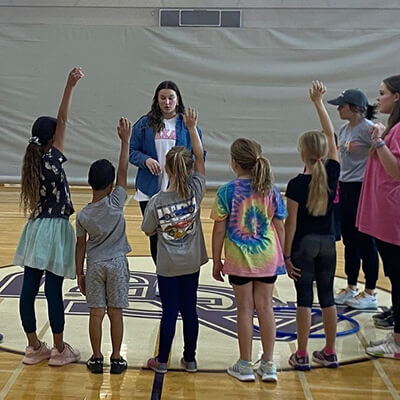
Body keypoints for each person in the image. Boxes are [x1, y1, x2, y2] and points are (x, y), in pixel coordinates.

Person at [13, 67, 83, 366]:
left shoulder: (32, 162)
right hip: (56, 229)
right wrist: (69, 86)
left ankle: (33, 346)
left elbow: (60, 124)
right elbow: (63, 119)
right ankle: (59, 349)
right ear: (52, 139)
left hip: (36, 228)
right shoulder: (53, 158)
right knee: (54, 290)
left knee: (28, 288)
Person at [211, 138, 287, 383]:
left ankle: (244, 365)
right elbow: (280, 226)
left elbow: (219, 230)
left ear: (234, 163)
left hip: (239, 260)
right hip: (267, 258)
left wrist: (216, 260)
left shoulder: (226, 191)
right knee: (266, 308)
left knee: (244, 310)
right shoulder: (271, 190)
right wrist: (281, 257)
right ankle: (268, 364)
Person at [141, 107, 207, 374]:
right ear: (190, 169)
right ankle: (190, 359)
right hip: (191, 263)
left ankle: (162, 361)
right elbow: (200, 158)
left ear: (166, 168)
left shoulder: (156, 201)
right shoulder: (195, 191)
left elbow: (148, 230)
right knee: (190, 309)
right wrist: (192, 128)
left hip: (168, 265)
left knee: (169, 310)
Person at [284, 81, 340, 371]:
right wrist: (318, 103)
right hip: (328, 242)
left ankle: (302, 354)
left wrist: (286, 256)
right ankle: (330, 351)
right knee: (327, 297)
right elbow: (330, 135)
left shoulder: (296, 184)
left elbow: (291, 224)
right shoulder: (332, 172)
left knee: (304, 299)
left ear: (302, 153)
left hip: (303, 246)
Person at [75, 118, 132, 374]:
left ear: (90, 182)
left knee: (96, 314)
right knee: (116, 313)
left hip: (95, 265)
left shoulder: (83, 215)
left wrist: (80, 273)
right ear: (111, 185)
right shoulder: (116, 201)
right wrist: (125, 141)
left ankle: (97, 357)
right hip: (117, 263)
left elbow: (80, 246)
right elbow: (123, 170)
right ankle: (117, 357)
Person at [129, 81, 203, 269]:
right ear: (156, 100)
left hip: (179, 190)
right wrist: (145, 160)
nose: (167, 102)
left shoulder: (187, 125)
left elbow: (198, 154)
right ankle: (161, 272)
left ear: (178, 100)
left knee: (179, 233)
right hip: (149, 190)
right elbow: (132, 152)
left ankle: (180, 271)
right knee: (154, 235)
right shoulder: (144, 124)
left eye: (171, 98)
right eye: (162, 98)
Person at [356, 75, 400, 359]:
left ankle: (397, 342)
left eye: (382, 93)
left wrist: (379, 143)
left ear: (397, 96)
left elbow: (396, 171)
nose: (378, 98)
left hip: (393, 216)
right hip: (386, 215)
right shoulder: (394, 127)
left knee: (398, 277)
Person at [325, 88, 379, 310]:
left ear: (356, 108)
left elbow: (381, 155)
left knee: (366, 240)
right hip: (345, 187)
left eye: (342, 105)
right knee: (349, 239)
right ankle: (351, 285)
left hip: (362, 188)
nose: (338, 109)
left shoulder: (369, 129)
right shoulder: (344, 129)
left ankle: (371, 291)